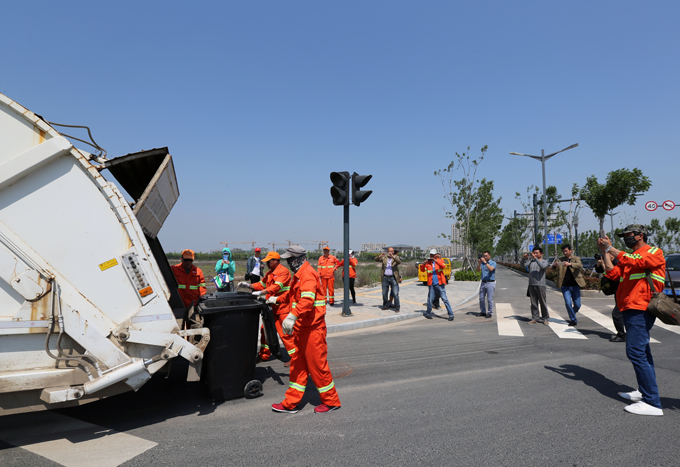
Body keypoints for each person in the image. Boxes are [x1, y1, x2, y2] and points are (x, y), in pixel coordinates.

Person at [598, 224, 665, 416]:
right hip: (629, 308)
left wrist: (611, 248)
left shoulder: (654, 252)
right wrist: (605, 252)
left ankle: (652, 402)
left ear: (640, 235)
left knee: (635, 352)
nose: (625, 238)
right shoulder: (629, 257)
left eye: (628, 235)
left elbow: (634, 260)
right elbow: (612, 273)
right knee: (643, 351)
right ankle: (645, 392)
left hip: (641, 308)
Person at [271, 246, 341, 414]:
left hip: (313, 330)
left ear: (298, 259)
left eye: (289, 260)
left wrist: (292, 316)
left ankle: (331, 401)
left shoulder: (307, 274)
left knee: (318, 367)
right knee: (297, 366)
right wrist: (275, 299)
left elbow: (307, 300)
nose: (288, 263)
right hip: (303, 329)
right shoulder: (300, 274)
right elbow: (291, 296)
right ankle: (290, 403)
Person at [238, 252, 295, 365]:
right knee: (265, 331)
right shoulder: (269, 273)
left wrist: (261, 292)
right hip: (271, 307)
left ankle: (296, 358)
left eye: (269, 262)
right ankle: (263, 355)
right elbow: (261, 284)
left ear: (276, 261)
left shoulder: (283, 272)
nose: (267, 264)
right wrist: (248, 286)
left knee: (285, 334)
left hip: (282, 307)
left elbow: (276, 287)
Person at [552, 244, 586, 327]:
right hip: (565, 286)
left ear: (570, 250)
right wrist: (554, 266)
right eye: (563, 251)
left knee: (577, 304)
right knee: (568, 303)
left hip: (575, 285)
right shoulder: (560, 260)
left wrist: (570, 264)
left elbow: (580, 265)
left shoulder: (576, 258)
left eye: (566, 251)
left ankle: (572, 313)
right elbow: (554, 269)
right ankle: (573, 319)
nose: (565, 253)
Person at [596, 253, 626, 342]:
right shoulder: (607, 262)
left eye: (606, 256)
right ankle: (626, 333)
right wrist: (599, 263)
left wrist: (603, 264)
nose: (605, 258)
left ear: (612, 255)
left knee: (616, 313)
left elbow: (611, 274)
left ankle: (622, 335)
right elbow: (598, 270)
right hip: (617, 291)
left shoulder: (617, 262)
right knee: (622, 313)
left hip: (623, 291)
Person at [420, 249, 454, 321]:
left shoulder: (440, 261)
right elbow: (422, 269)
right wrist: (424, 263)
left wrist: (436, 261)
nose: (431, 256)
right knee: (430, 300)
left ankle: (451, 314)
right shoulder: (428, 263)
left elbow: (443, 266)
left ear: (436, 255)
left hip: (440, 284)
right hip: (431, 284)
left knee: (444, 299)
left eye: (433, 255)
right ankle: (428, 313)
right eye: (430, 255)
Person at [521, 247, 550, 325]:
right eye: (534, 253)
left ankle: (545, 318)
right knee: (533, 303)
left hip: (541, 285)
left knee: (543, 302)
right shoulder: (531, 261)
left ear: (541, 254)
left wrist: (535, 259)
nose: (535, 254)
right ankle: (535, 318)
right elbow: (523, 265)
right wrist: (524, 258)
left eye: (537, 253)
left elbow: (542, 266)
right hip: (531, 284)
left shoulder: (544, 261)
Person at [375, 247, 401, 312]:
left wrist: (393, 257)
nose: (391, 252)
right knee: (384, 293)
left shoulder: (396, 257)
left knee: (395, 293)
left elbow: (399, 262)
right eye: (390, 251)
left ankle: (397, 307)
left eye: (392, 251)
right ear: (387, 251)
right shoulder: (384, 258)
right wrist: (380, 256)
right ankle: (386, 305)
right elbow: (376, 259)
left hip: (393, 278)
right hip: (385, 277)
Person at [478, 250, 496, 318]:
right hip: (483, 282)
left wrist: (485, 262)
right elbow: (478, 270)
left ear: (489, 256)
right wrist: (479, 263)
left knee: (489, 299)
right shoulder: (482, 263)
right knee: (481, 298)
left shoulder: (493, 263)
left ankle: (490, 312)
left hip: (490, 283)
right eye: (484, 256)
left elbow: (491, 269)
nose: (485, 257)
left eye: (486, 256)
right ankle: (483, 311)